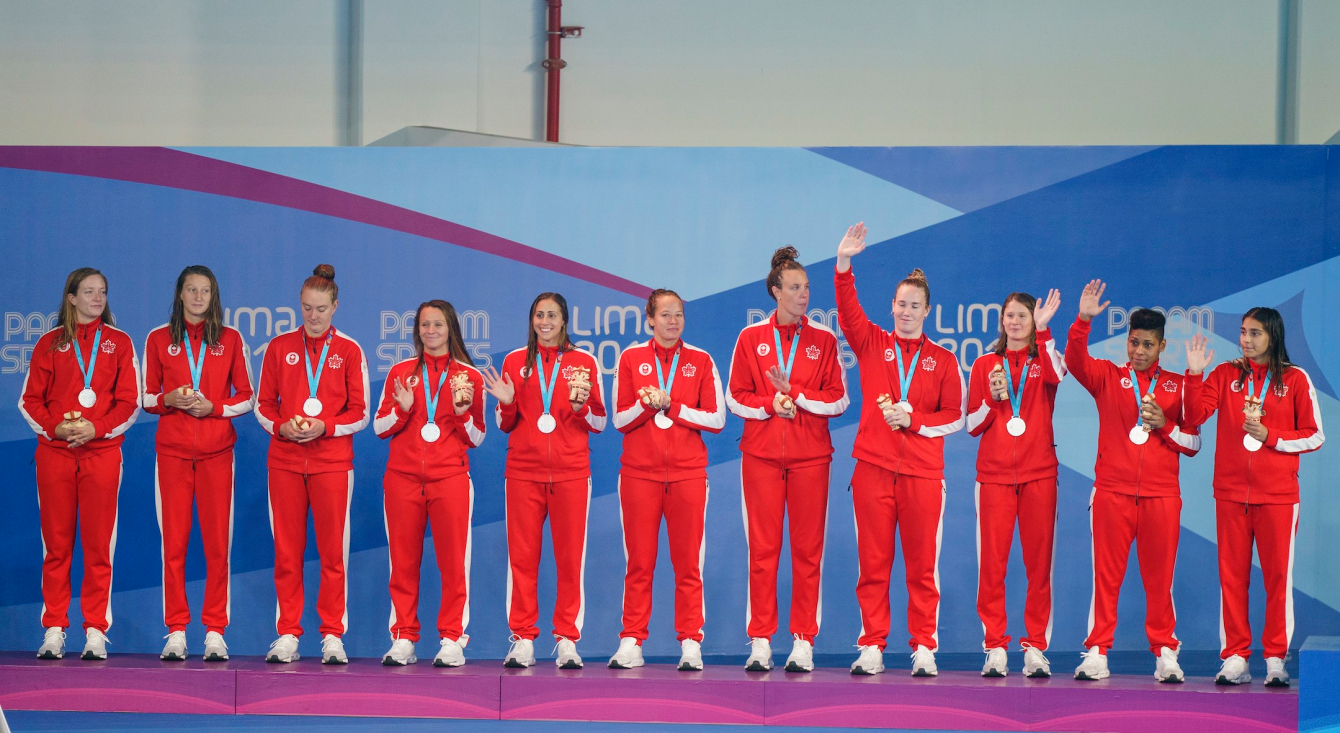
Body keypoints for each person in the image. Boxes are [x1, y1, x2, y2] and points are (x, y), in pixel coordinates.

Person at [834, 223, 965, 677]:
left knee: (922, 568)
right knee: (872, 565)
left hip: (923, 475)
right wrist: (845, 265)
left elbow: (956, 416)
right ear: (890, 307)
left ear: (928, 310)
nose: (906, 311)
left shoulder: (945, 360)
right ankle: (872, 644)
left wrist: (916, 420)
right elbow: (849, 313)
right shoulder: (872, 343)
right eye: (900, 304)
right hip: (872, 469)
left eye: (915, 305)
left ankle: (924, 645)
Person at [1065, 280, 1199, 683]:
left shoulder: (1176, 385)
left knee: (1160, 582)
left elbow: (1193, 442)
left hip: (1161, 497)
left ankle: (1165, 653)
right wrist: (1083, 321)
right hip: (1111, 493)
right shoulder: (1107, 376)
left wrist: (1166, 425)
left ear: (1161, 347)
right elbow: (1075, 361)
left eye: (1147, 345)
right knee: (1105, 578)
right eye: (1133, 342)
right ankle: (1097, 652)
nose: (1138, 351)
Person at [1183, 308, 1324, 687]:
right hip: (1230, 494)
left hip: (1278, 496)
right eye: (1243, 332)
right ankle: (1235, 658)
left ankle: (1276, 658)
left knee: (1278, 579)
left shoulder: (1295, 379)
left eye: (1255, 333)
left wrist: (1270, 436)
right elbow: (1194, 415)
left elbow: (1314, 435)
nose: (1246, 340)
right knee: (1232, 578)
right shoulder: (1226, 374)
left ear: (1273, 336)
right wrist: (1194, 374)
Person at [725, 247, 849, 672]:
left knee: (807, 551)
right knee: (763, 550)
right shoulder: (750, 339)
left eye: (807, 287)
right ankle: (760, 639)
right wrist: (769, 405)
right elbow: (734, 398)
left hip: (811, 458)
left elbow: (839, 401)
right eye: (795, 288)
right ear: (776, 292)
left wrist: (797, 396)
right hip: (760, 457)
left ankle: (803, 641)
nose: (804, 295)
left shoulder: (825, 339)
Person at [21, 267, 140, 661]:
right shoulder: (49, 343)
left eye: (102, 291)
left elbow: (129, 401)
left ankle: (94, 630)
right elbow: (29, 401)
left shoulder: (120, 342)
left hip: (102, 455)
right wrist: (58, 429)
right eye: (88, 292)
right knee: (56, 546)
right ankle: (54, 628)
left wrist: (97, 428)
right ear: (70, 298)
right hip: (54, 455)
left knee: (98, 546)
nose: (97, 298)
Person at [482, 292, 606, 669]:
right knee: (522, 559)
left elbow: (600, 422)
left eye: (552, 315)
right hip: (523, 474)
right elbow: (505, 425)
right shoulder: (516, 361)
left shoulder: (583, 362)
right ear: (531, 319)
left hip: (570, 473)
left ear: (564, 319)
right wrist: (505, 401)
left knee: (570, 561)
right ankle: (522, 638)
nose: (545, 321)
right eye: (539, 315)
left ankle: (567, 639)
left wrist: (582, 406)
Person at [253, 264, 370, 664]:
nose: (313, 316)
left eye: (321, 308)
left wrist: (326, 425)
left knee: (332, 552)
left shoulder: (350, 350)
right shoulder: (278, 347)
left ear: (335, 306)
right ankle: (288, 632)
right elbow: (262, 406)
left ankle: (332, 634)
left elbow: (361, 412)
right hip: (284, 461)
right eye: (306, 309)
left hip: (333, 463)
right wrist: (282, 428)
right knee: (287, 552)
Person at [607, 289, 726, 671]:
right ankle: (631, 640)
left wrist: (671, 406)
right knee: (639, 563)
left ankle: (691, 641)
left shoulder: (701, 360)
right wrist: (647, 404)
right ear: (650, 320)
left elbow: (717, 419)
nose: (673, 321)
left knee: (688, 564)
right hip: (639, 475)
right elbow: (619, 420)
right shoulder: (630, 358)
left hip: (688, 474)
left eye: (678, 315)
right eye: (665, 315)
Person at [141, 265, 255, 661]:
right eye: (191, 290)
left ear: (213, 296)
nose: (198, 297)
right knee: (174, 544)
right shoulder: (158, 339)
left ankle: (214, 630)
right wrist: (169, 400)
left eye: (205, 291)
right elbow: (145, 397)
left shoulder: (230, 339)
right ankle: (175, 629)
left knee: (216, 546)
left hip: (217, 455)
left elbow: (247, 396)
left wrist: (214, 407)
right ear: (180, 294)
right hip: (171, 454)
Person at [374, 300, 486, 667]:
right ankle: (404, 637)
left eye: (438, 324)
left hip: (450, 479)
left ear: (451, 328)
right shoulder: (401, 373)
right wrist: (403, 408)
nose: (431, 331)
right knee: (402, 563)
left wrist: (460, 413)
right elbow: (379, 428)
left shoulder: (469, 376)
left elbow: (477, 437)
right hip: (402, 479)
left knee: (453, 565)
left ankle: (452, 638)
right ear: (417, 331)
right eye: (425, 325)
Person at [965, 289, 1064, 678]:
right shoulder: (985, 364)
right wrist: (991, 399)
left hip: (1040, 474)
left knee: (1039, 567)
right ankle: (995, 647)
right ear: (1002, 320)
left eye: (1024, 316)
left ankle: (1036, 647)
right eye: (1011, 315)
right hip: (994, 479)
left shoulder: (1045, 361)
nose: (1016, 322)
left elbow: (1060, 374)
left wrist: (1046, 331)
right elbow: (972, 425)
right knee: (993, 566)